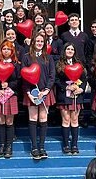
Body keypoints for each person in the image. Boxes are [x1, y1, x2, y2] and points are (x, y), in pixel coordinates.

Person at [22, 32, 56, 160]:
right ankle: (34, 147)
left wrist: (46, 90)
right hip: (31, 93)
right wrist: (28, 93)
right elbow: (24, 76)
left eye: (42, 41)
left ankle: (42, 147)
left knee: (43, 117)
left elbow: (52, 75)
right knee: (33, 117)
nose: (40, 43)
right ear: (33, 43)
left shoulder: (49, 57)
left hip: (44, 91)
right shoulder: (27, 57)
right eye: (37, 41)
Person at [0, 40, 20, 159]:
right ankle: (1, 146)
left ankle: (9, 146)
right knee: (1, 120)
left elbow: (19, 80)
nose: (6, 51)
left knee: (9, 121)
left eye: (8, 49)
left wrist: (9, 86)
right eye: (4, 49)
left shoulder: (16, 64)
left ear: (12, 51)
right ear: (1, 50)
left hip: (11, 94)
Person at [55, 43, 87, 155]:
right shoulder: (59, 64)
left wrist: (81, 89)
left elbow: (84, 78)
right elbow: (56, 80)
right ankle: (66, 144)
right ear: (64, 51)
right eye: (68, 49)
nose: (70, 51)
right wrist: (66, 87)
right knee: (66, 119)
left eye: (72, 49)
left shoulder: (79, 64)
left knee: (74, 120)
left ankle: (74, 144)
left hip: (76, 95)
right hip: (64, 96)